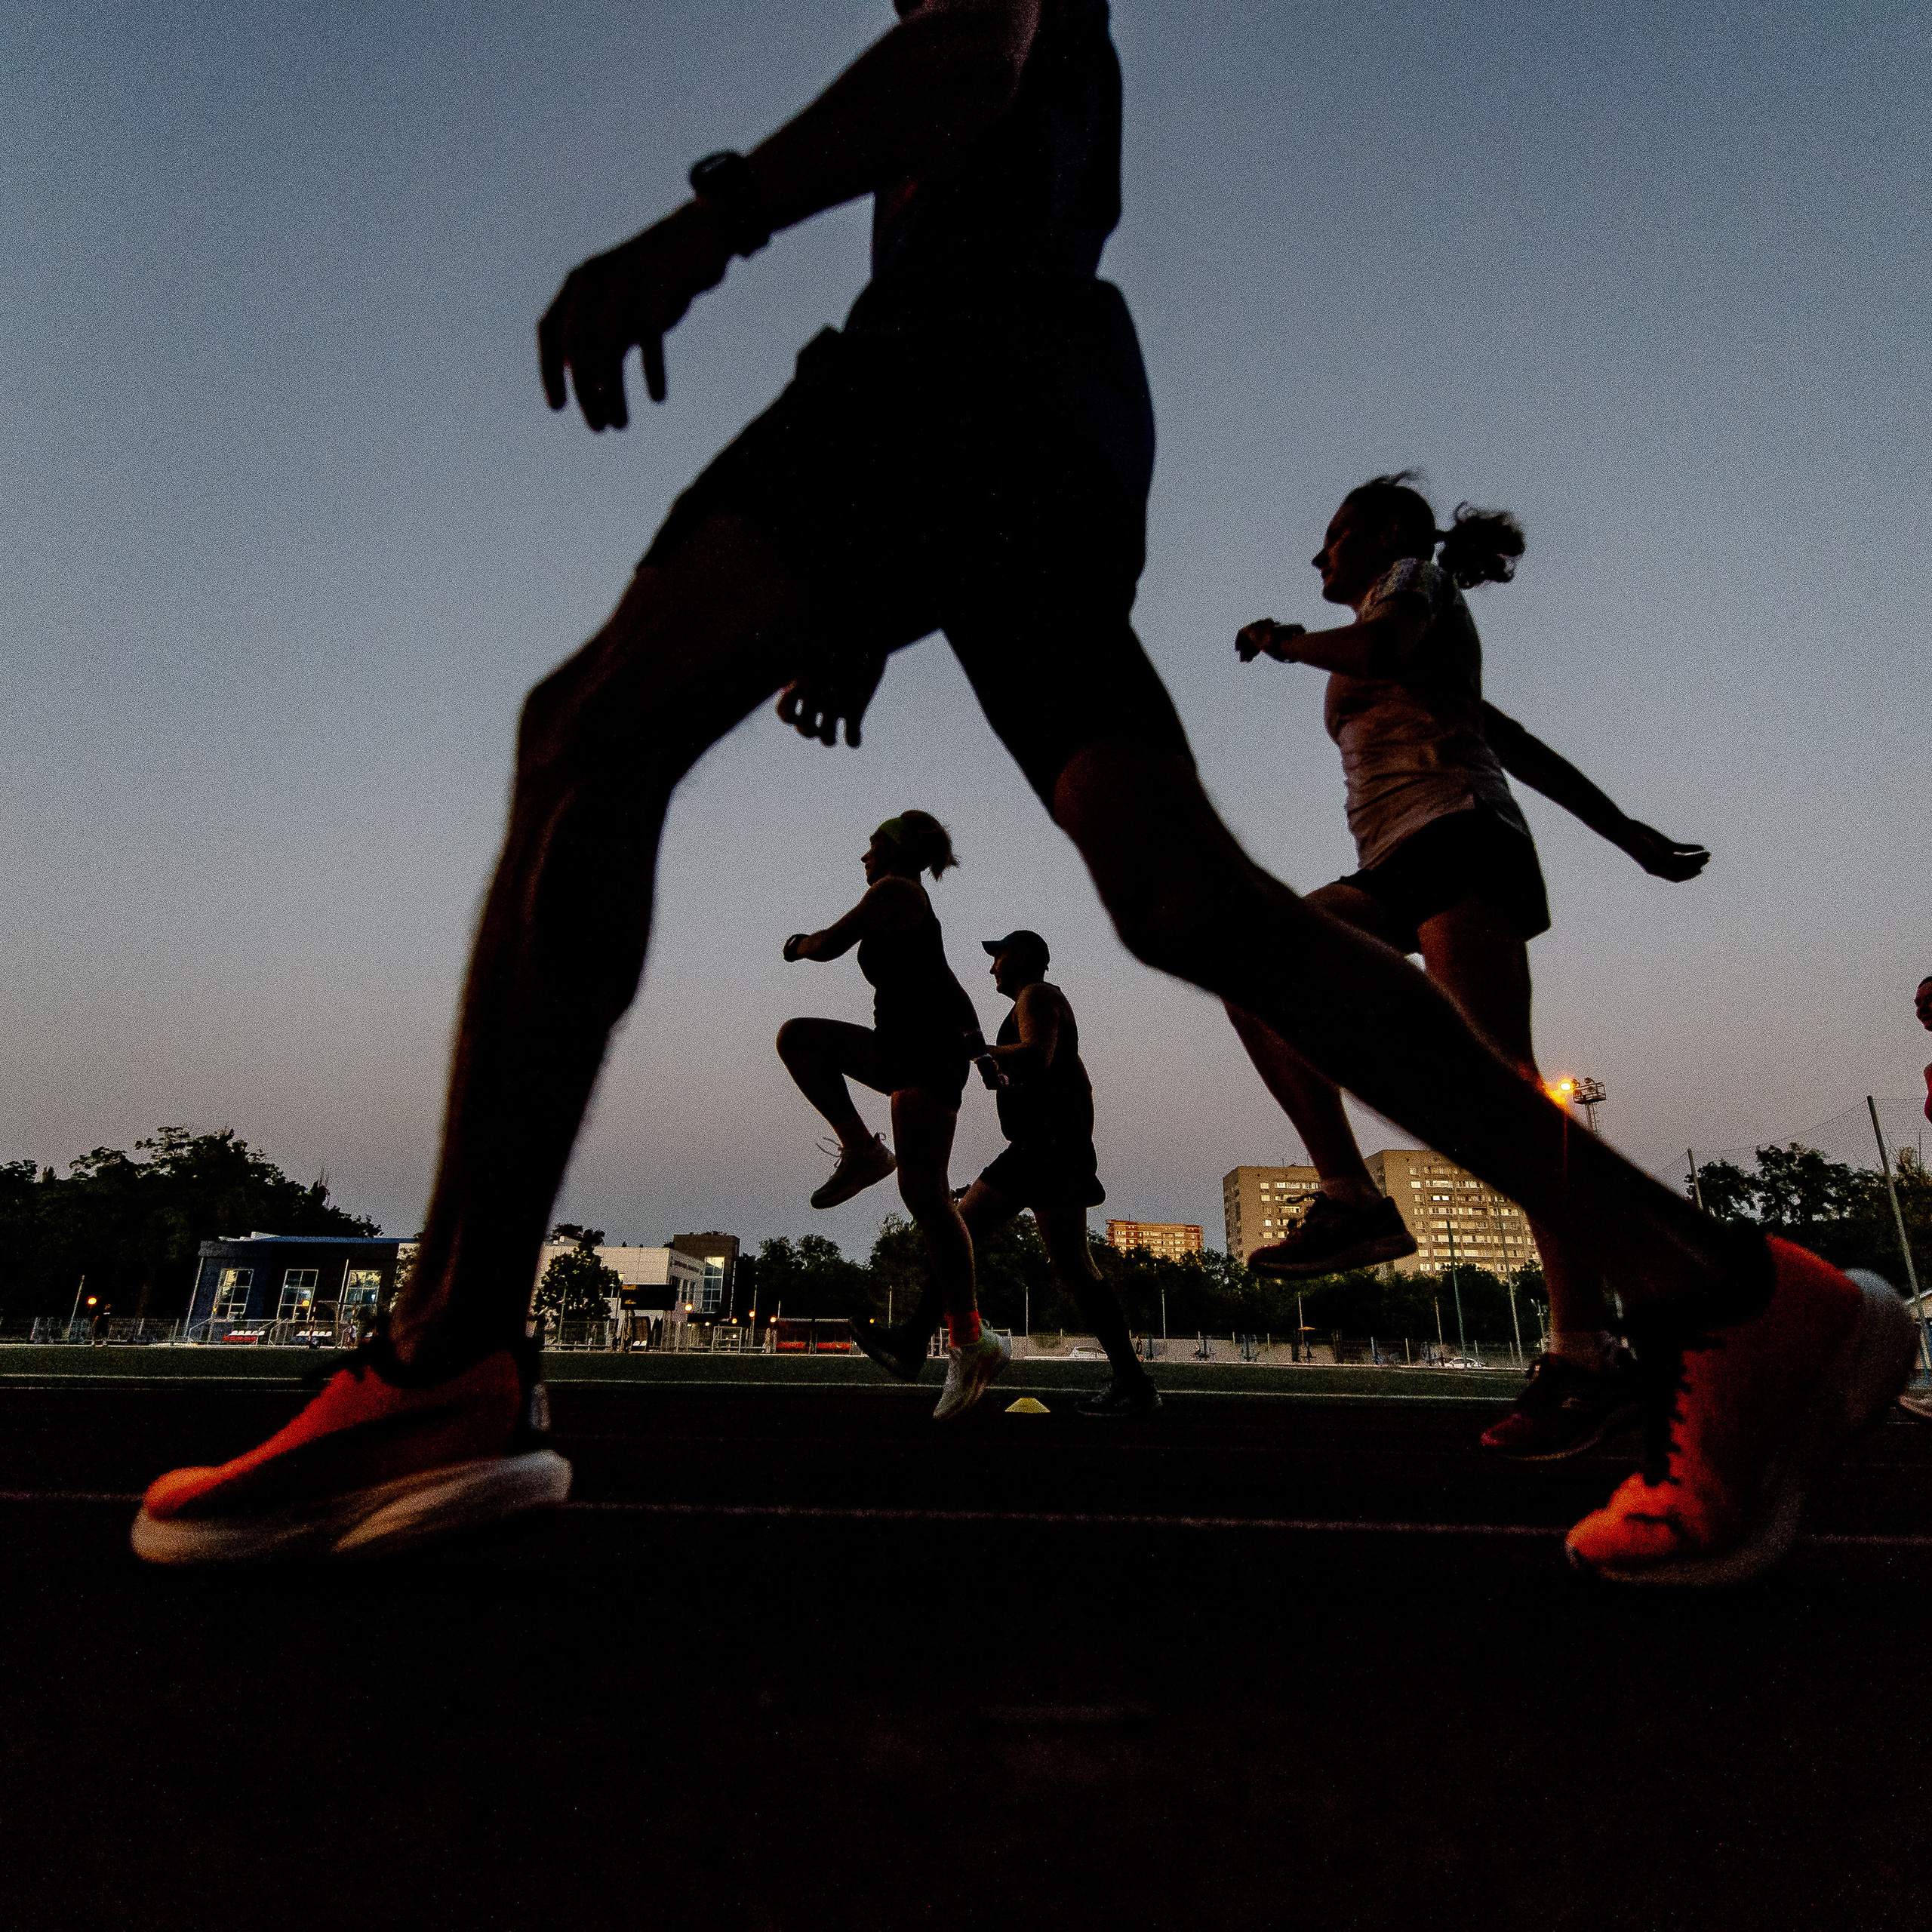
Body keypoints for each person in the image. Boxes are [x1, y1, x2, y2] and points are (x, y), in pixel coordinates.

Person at [132, 0, 1914, 1585]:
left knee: (581, 734)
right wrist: (871, 596)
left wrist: (713, 218)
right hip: (1046, 398)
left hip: (952, 350)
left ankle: (445, 1348)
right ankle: (1733, 1296)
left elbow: (967, 49)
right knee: (1186, 895)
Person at [1230, 472, 1709, 1460]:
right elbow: (1513, 736)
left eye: (1332, 534)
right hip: (1406, 856)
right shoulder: (1399, 601)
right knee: (1254, 965)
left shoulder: (1410, 583)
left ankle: (1592, 1352)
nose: (1317, 556)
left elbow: (1388, 655)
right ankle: (1353, 1200)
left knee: (1509, 1098)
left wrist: (1283, 641)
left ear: (1387, 531)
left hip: (1459, 841)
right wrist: (1627, 832)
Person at [853, 927, 1161, 1417]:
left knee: (957, 1228)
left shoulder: (1036, 995)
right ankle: (1135, 1384)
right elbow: (1049, 1071)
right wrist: (985, 1059)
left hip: (1046, 1146)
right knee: (1072, 1266)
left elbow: (1039, 1055)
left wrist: (971, 1054)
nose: (991, 966)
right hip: (1049, 1146)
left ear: (1018, 957)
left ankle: (915, 1339)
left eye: (997, 957)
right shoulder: (1032, 1001)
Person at [775, 811, 1010, 1420]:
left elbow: (826, 946)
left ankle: (970, 1338)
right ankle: (862, 1150)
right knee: (801, 1040)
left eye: (873, 845)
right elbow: (952, 986)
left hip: (923, 1055)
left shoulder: (895, 892)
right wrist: (981, 1052)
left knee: (928, 1197)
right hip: (908, 1050)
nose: (865, 856)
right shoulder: (913, 906)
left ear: (898, 852)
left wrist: (796, 945)